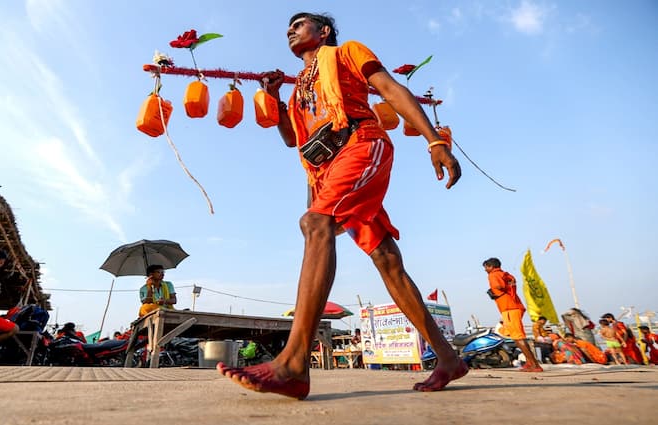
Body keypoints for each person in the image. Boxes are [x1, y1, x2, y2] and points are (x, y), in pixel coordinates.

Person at [217, 12, 465, 399]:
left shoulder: (348, 52)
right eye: (288, 28)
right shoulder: (300, 85)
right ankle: (449, 359)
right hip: (328, 168)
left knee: (315, 222)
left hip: (362, 145)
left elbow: (391, 89)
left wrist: (434, 141)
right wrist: (277, 97)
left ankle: (293, 364)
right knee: (386, 259)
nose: (290, 30)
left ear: (324, 32)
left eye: (300, 24)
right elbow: (290, 138)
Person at [483, 257, 543, 372]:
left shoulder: (493, 275)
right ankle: (530, 363)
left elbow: (498, 287)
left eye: (486, 267)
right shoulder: (505, 274)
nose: (485, 270)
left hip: (509, 308)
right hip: (514, 307)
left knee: (518, 337)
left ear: (490, 266)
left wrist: (494, 293)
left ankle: (535, 365)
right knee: (516, 336)